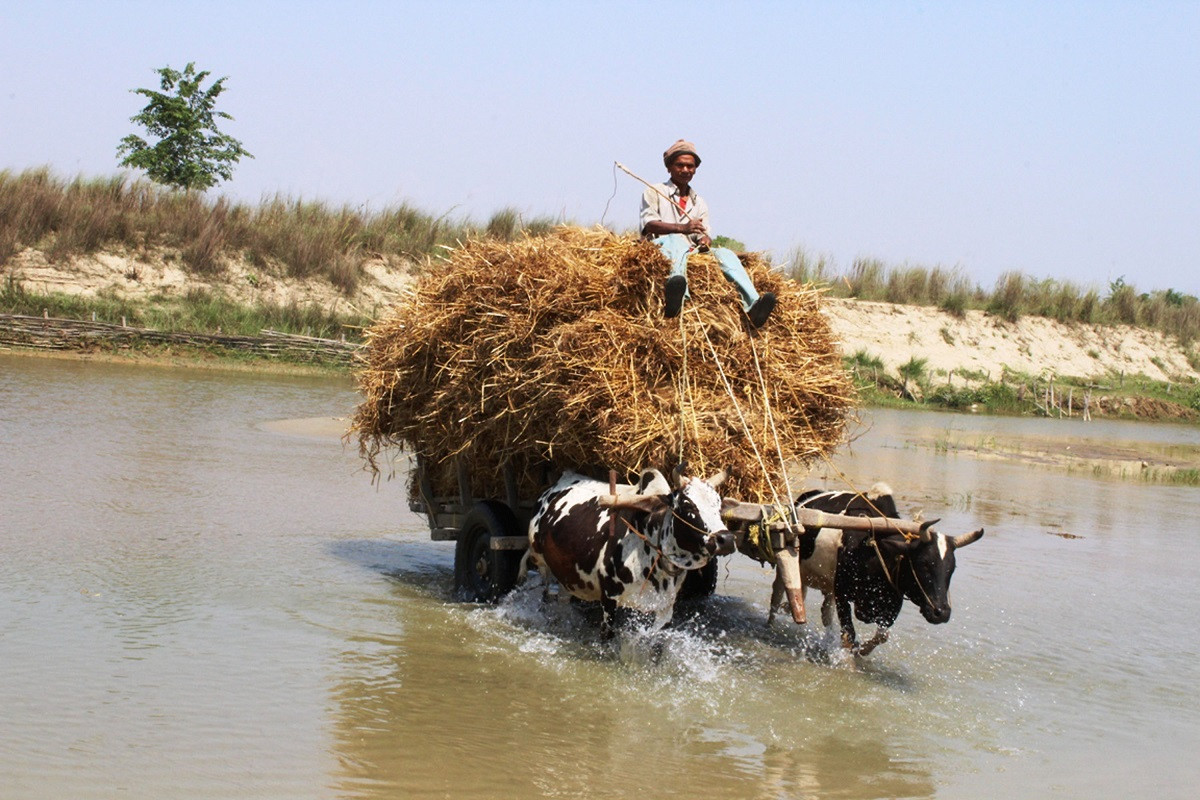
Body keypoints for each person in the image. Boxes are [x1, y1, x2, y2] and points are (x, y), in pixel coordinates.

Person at [640, 139, 776, 327]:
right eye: (680, 165)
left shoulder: (699, 203)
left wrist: (705, 240)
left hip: (689, 252)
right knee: (676, 239)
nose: (686, 170)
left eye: (690, 166)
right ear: (669, 167)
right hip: (661, 247)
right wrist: (682, 228)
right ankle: (677, 293)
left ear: (695, 169)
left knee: (725, 254)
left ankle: (753, 304)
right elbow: (650, 225)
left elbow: (701, 233)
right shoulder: (655, 191)